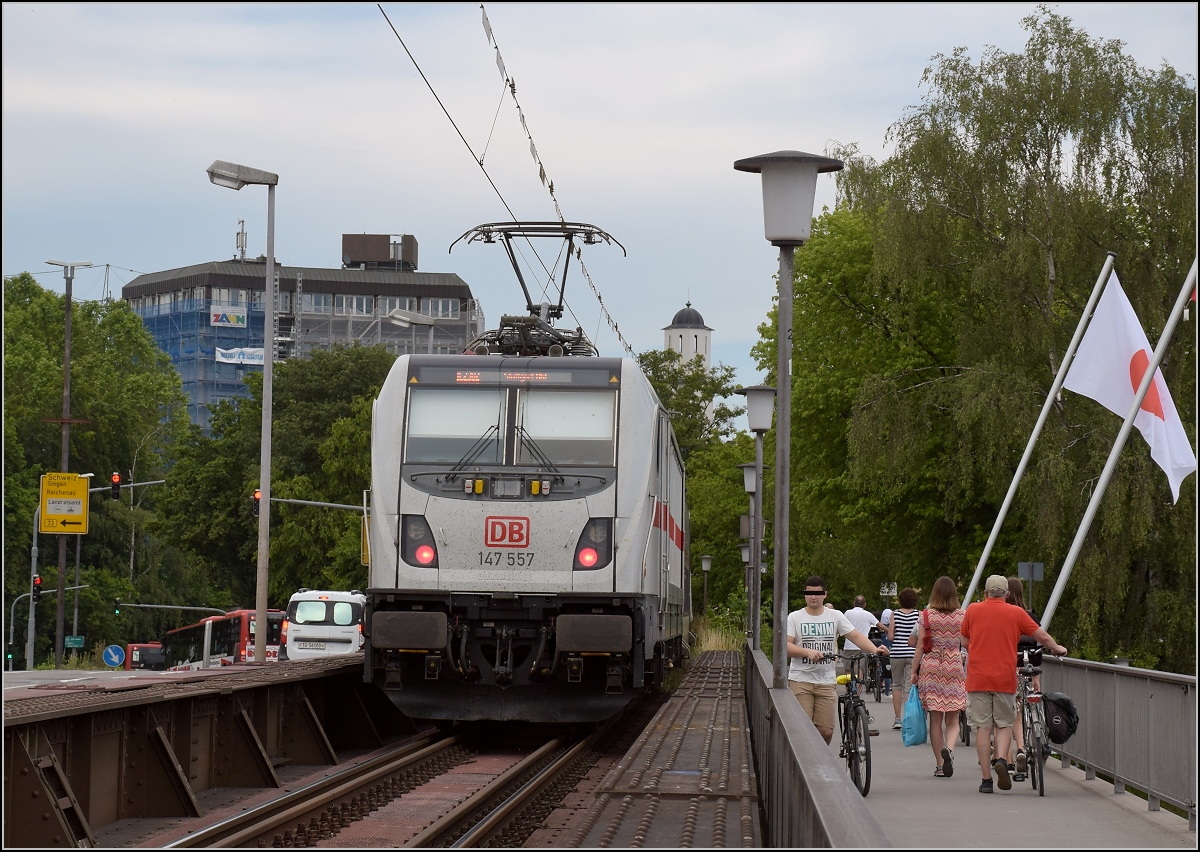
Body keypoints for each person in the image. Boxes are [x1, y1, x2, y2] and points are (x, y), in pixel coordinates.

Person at [961, 574, 1067, 794]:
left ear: (985, 593)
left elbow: (963, 640)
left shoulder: (972, 610)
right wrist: (1057, 648)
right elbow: (1042, 637)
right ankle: (1001, 758)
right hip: (1004, 678)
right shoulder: (1016, 613)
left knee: (983, 727)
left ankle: (986, 780)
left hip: (978, 677)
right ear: (1007, 594)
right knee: (1004, 724)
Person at [786, 576, 890, 744]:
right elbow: (786, 646)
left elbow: (855, 635)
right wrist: (806, 652)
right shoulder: (795, 617)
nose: (814, 597)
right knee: (803, 730)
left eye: (818, 593)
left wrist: (875, 649)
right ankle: (807, 768)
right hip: (801, 680)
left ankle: (818, 761)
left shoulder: (835, 616)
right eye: (810, 593)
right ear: (804, 595)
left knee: (826, 731)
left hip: (826, 681)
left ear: (825, 595)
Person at [911, 576, 966, 778]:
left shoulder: (927, 616)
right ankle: (949, 749)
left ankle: (940, 765)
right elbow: (966, 642)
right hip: (953, 665)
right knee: (953, 718)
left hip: (931, 665)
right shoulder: (962, 616)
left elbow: (919, 645)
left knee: (935, 719)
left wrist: (913, 671)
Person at [1006, 576, 1040, 779]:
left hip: (1009, 671)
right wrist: (1036, 675)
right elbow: (1038, 644)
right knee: (1024, 709)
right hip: (1028, 669)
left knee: (1009, 716)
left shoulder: (1005, 616)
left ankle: (1012, 757)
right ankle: (1025, 747)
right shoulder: (1029, 616)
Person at [887, 588, 920, 730]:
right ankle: (908, 718)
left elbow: (890, 637)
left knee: (896, 685)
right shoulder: (919, 614)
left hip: (896, 654)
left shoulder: (895, 614)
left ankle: (897, 719)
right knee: (909, 686)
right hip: (913, 653)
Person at [879, 605, 894, 696]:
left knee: (884, 667)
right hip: (891, 651)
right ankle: (888, 690)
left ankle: (882, 685)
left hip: (883, 649)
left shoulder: (882, 630)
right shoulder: (893, 627)